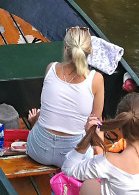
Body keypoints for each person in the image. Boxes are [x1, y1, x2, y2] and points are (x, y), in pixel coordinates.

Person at [25, 27, 105, 168]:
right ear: (90, 50)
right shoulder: (96, 79)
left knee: (40, 119)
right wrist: (101, 153)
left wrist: (36, 122)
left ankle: (35, 124)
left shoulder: (51, 68)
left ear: (65, 48)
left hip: (37, 150)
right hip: (72, 158)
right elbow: (95, 123)